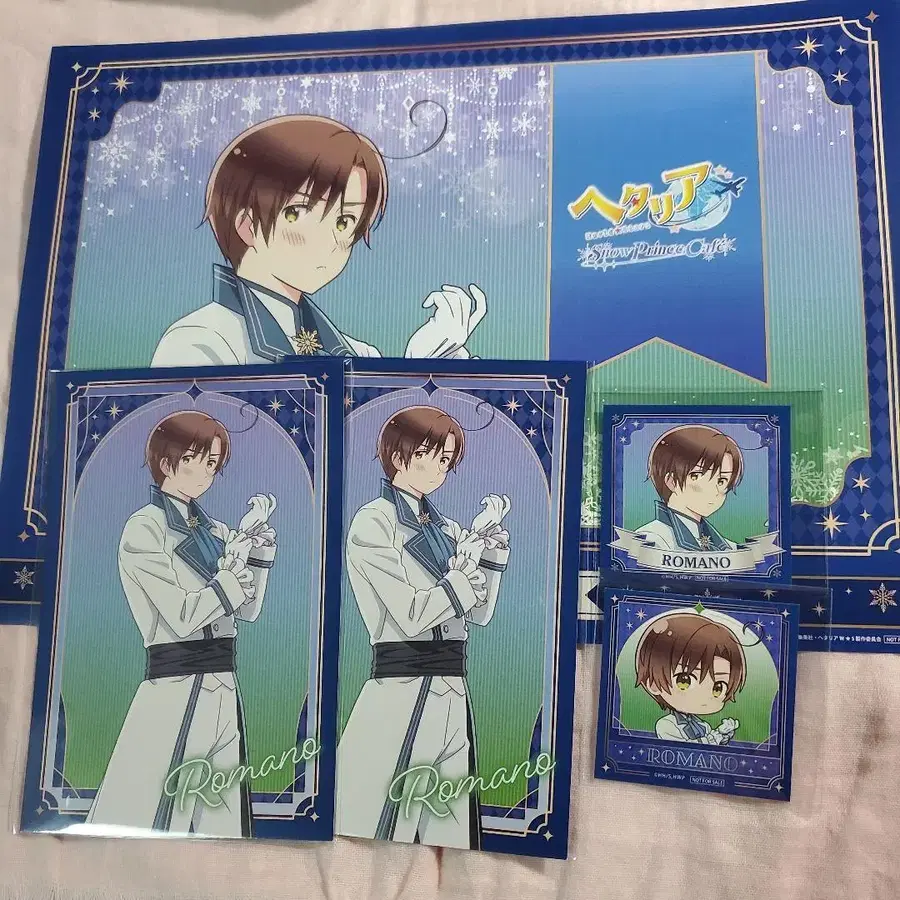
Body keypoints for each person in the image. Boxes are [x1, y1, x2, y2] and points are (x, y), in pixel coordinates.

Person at [151, 115, 486, 366]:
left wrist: (426, 364)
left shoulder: (357, 354)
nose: (329, 241)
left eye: (344, 221)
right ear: (247, 225)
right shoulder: (201, 342)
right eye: (296, 213)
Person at [86, 411, 277, 836]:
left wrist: (256, 552)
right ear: (167, 461)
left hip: (223, 684)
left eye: (213, 463)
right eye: (196, 459)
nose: (206, 472)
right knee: (145, 813)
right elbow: (183, 616)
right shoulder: (145, 528)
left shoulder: (215, 529)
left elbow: (247, 612)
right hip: (173, 684)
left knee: (223, 822)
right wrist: (230, 575)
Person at [337, 406, 511, 849]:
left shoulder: (447, 527)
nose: (439, 469)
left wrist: (490, 558)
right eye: (428, 455)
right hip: (400, 686)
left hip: (453, 689)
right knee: (374, 826)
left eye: (446, 460)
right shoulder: (373, 521)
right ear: (398, 456)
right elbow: (411, 615)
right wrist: (461, 577)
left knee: (452, 832)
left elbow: (479, 615)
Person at [634, 612, 745, 745]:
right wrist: (717, 735)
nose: (704, 696)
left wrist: (724, 734)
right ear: (653, 684)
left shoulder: (703, 725)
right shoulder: (666, 725)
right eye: (684, 681)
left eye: (718, 688)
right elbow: (687, 748)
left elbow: (712, 747)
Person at [637, 424, 744, 552]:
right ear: (671, 482)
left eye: (721, 481)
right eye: (697, 476)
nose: (714, 491)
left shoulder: (728, 547)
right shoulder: (652, 538)